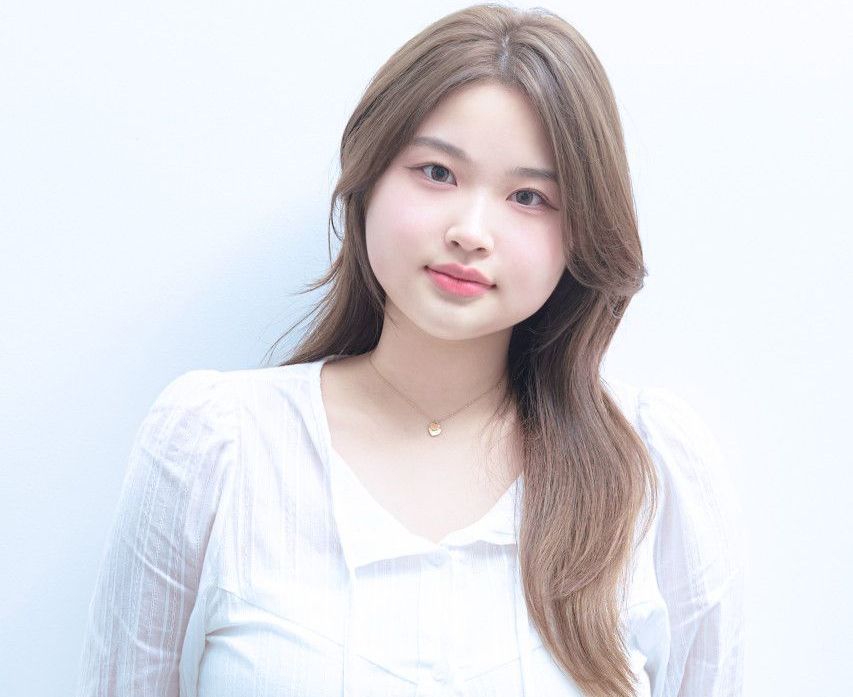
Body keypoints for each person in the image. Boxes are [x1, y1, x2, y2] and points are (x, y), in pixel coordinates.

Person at [75, 4, 745, 696]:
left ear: (580, 234)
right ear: (367, 179)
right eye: (436, 173)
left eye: (528, 196)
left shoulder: (649, 468)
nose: (470, 229)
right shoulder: (215, 443)